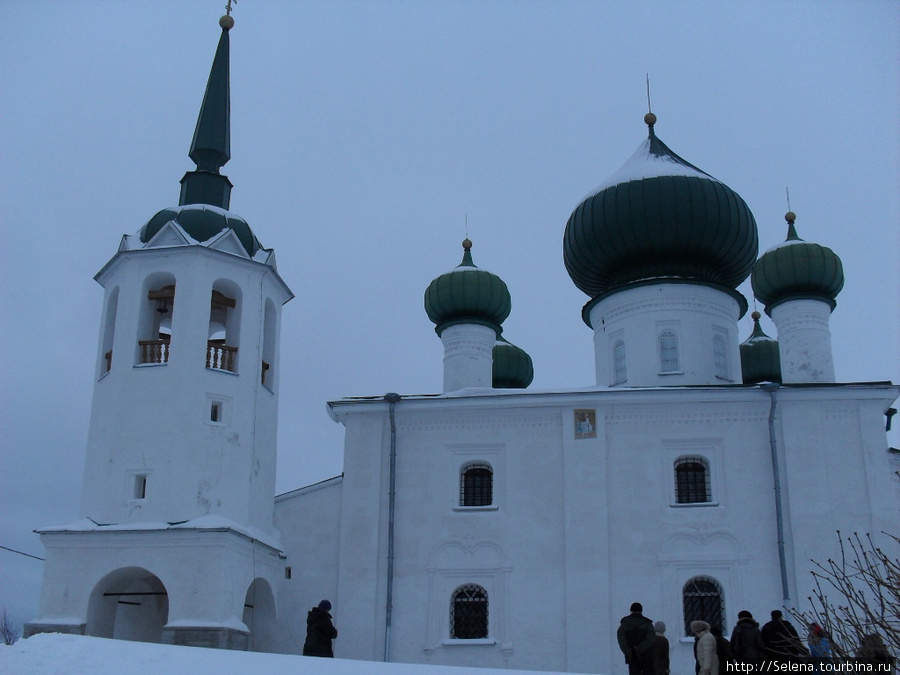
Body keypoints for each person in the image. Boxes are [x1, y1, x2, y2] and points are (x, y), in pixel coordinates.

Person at [617, 602, 657, 675]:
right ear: (641, 611)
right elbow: (651, 638)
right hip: (647, 657)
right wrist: (639, 648)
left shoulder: (624, 624)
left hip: (632, 658)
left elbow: (621, 640)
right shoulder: (647, 623)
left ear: (631, 610)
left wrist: (629, 651)